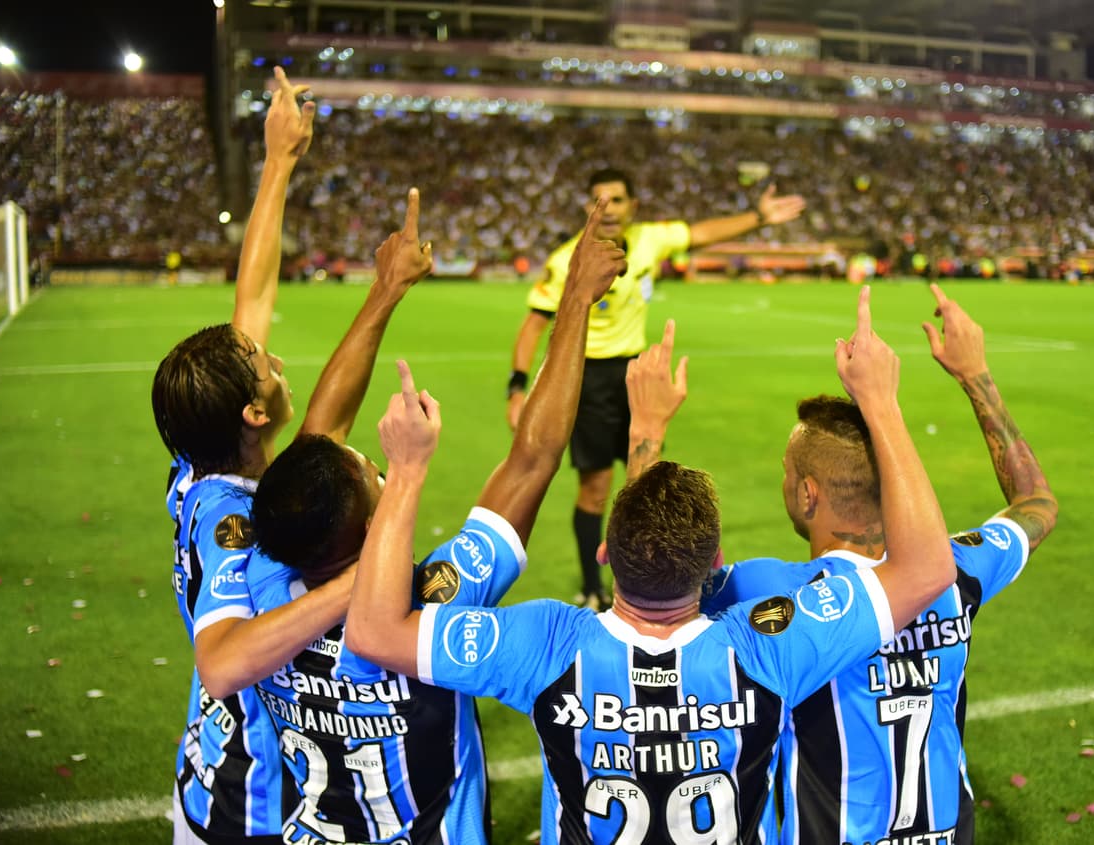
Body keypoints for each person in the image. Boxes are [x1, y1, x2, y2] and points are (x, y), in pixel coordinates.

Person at [346, 287, 957, 845]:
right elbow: (928, 568)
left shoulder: (546, 644)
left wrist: (405, 472)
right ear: (714, 564)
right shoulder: (767, 648)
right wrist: (879, 403)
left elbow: (373, 631)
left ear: (606, 552)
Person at [244, 198, 627, 844]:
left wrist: (385, 290)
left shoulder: (266, 580)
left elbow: (317, 440)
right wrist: (577, 301)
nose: (379, 468)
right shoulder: (435, 605)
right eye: (374, 474)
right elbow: (533, 460)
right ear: (371, 528)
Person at [151, 69, 431, 844]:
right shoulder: (228, 518)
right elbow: (221, 663)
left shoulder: (206, 459)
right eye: (265, 366)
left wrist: (279, 163)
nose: (274, 360)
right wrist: (356, 581)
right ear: (251, 410)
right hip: (251, 805)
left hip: (221, 780)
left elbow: (254, 299)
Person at [682, 283, 1058, 844]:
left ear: (807, 494)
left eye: (789, 472)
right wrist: (974, 374)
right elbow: (1037, 504)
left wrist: (644, 433)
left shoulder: (765, 593)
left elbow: (652, 579)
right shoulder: (959, 569)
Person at [505, 167, 807, 610]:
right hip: (587, 380)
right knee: (595, 488)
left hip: (633, 374)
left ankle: (648, 579)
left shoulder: (649, 239)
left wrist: (757, 218)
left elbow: (700, 233)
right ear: (591, 207)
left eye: (618, 200)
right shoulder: (567, 259)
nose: (609, 211)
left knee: (647, 480)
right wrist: (516, 387)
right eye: (600, 201)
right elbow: (534, 324)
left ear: (634, 206)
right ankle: (593, 588)